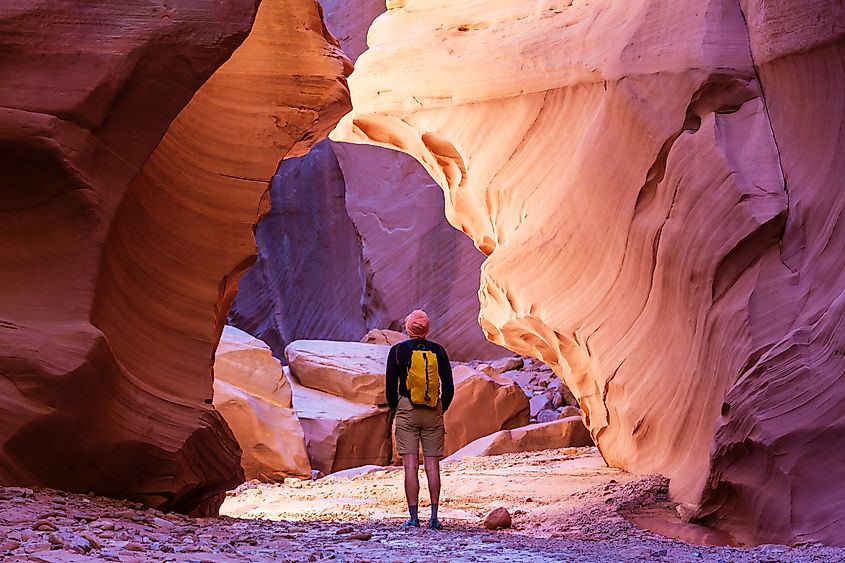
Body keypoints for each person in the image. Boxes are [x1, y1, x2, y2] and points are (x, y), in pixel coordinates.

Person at [385, 309, 454, 530]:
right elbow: (449, 387)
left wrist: (399, 410)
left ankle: (414, 518)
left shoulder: (397, 351)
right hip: (433, 408)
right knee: (432, 466)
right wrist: (440, 409)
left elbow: (390, 389)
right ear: (427, 329)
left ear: (408, 328)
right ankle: (434, 517)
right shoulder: (439, 351)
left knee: (410, 466)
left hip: (407, 408)